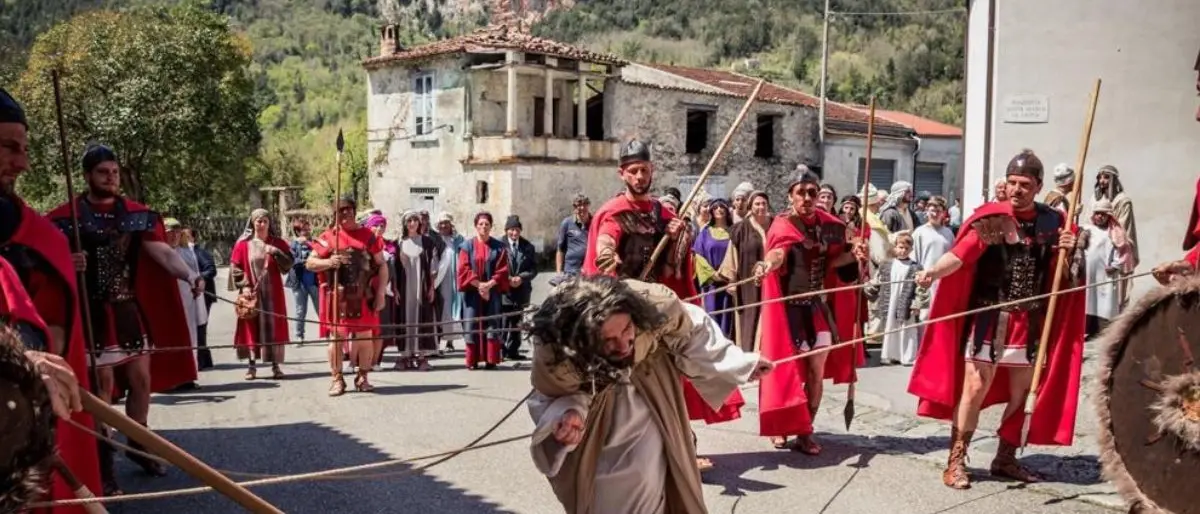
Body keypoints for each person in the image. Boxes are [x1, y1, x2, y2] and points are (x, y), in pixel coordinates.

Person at [909, 149, 1087, 490]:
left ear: (1038, 186)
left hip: (1030, 323)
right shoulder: (991, 219)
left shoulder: (1054, 223)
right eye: (1012, 182)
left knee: (1022, 393)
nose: (1016, 189)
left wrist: (1069, 249)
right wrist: (932, 272)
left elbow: (1065, 279)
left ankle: (1005, 457)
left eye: (1024, 184)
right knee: (974, 389)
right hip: (989, 318)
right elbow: (960, 256)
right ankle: (956, 460)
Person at [526, 276, 772, 514]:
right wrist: (570, 414)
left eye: (626, 330)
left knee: (653, 477)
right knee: (610, 492)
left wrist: (741, 363)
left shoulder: (656, 306)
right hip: (600, 432)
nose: (624, 345)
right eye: (609, 340)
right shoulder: (558, 358)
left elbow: (691, 331)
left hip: (652, 402)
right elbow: (556, 395)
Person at [583, 138, 745, 471]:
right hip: (623, 310)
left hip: (658, 311)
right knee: (621, 386)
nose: (640, 176)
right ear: (622, 174)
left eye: (644, 170)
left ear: (652, 170)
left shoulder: (663, 213)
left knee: (671, 383)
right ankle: (612, 450)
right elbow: (605, 242)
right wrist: (607, 257)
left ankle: (685, 450)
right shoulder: (614, 212)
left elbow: (676, 265)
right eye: (633, 171)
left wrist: (677, 235)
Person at [48, 144, 198, 494]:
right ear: (87, 177)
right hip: (91, 314)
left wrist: (188, 275)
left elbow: (159, 250)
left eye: (114, 172)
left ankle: (138, 444)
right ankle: (103, 461)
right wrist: (69, 262)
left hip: (127, 310)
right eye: (103, 172)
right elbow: (46, 261)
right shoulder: (63, 219)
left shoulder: (135, 215)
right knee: (100, 389)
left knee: (141, 381)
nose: (111, 178)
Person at [0, 87, 102, 506]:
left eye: (23, 148)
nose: (22, 162)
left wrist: (27, 369)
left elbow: (49, 340)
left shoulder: (40, 241)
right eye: (8, 147)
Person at [754, 168, 868, 455]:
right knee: (784, 370)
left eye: (812, 192)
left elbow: (834, 263)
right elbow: (778, 252)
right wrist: (768, 264)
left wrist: (854, 253)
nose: (807, 197)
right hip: (789, 309)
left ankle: (805, 430)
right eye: (801, 192)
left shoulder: (829, 225)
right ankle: (780, 424)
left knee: (816, 371)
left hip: (817, 307)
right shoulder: (782, 225)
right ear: (791, 195)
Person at [307, 196, 388, 395]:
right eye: (341, 211)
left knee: (364, 337)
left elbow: (382, 265)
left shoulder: (369, 236)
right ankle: (337, 379)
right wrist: (329, 262)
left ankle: (363, 377)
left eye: (348, 209)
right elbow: (310, 263)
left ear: (354, 211)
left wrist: (381, 293)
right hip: (338, 297)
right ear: (336, 214)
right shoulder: (328, 237)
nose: (345, 214)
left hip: (363, 295)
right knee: (336, 338)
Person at [229, 209, 293, 380]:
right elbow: (235, 267)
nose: (261, 224)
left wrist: (276, 252)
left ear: (269, 223)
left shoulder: (277, 243)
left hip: (273, 293)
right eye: (258, 221)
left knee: (274, 328)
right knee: (251, 326)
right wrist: (245, 286)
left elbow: (288, 265)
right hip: (252, 293)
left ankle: (276, 366)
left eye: (265, 220)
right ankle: (251, 367)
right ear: (252, 223)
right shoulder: (243, 244)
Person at [717, 191, 771, 352]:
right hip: (747, 283)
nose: (761, 207)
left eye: (764, 203)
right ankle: (749, 356)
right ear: (750, 206)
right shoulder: (740, 229)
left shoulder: (776, 224)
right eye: (757, 203)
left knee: (770, 318)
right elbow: (731, 255)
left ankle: (768, 353)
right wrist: (732, 280)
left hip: (773, 281)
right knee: (749, 318)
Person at [456, 212, 509, 369]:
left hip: (492, 292)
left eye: (486, 224)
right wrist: (479, 285)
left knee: (492, 323)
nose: (483, 227)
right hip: (472, 291)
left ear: (491, 226)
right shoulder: (466, 246)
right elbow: (463, 269)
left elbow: (503, 269)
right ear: (476, 226)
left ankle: (491, 360)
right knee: (471, 324)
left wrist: (489, 285)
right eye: (480, 224)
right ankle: (472, 361)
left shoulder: (499, 247)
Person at [866, 233, 927, 366]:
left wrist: (917, 304)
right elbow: (878, 281)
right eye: (900, 247)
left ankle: (907, 356)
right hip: (890, 301)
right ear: (895, 248)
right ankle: (890, 355)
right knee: (890, 327)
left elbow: (921, 289)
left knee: (907, 329)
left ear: (911, 249)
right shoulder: (886, 265)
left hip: (907, 303)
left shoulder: (916, 267)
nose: (903, 250)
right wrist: (868, 288)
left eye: (906, 248)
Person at [1080, 200, 1135, 337]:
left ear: (1109, 216)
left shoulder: (1115, 232)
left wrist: (1116, 265)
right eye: (1097, 214)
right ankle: (1087, 329)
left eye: (1103, 214)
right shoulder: (1087, 229)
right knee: (1087, 301)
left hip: (1106, 273)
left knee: (1105, 304)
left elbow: (1122, 251)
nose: (1099, 217)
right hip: (1088, 273)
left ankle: (1103, 331)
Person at [394, 210, 440, 370]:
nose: (412, 223)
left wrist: (432, 287)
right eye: (409, 221)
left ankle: (421, 356)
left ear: (419, 223)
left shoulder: (427, 242)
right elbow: (395, 269)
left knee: (422, 317)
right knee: (406, 318)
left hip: (422, 287)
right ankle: (405, 355)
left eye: (415, 220)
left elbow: (434, 266)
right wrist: (395, 289)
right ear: (405, 224)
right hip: (405, 288)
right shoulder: (399, 243)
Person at [164, 218, 207, 388]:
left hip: (187, 301)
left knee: (190, 338)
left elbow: (195, 274)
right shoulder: (159, 253)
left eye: (177, 232)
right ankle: (169, 379)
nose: (174, 236)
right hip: (167, 304)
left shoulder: (186, 252)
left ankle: (188, 376)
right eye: (170, 232)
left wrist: (199, 283)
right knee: (168, 340)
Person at [1090, 165, 1139, 308]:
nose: (1102, 181)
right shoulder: (1094, 199)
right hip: (1097, 250)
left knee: (1116, 296)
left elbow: (1122, 229)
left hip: (1115, 250)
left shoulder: (1123, 201)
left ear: (1114, 180)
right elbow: (1088, 221)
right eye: (1100, 177)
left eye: (1106, 177)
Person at [692, 198, 735, 337]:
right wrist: (713, 274)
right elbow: (698, 256)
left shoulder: (734, 231)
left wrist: (726, 273)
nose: (719, 210)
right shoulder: (705, 233)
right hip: (712, 284)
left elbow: (737, 254)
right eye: (715, 207)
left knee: (730, 318)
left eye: (722, 207)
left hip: (729, 282)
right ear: (711, 211)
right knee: (713, 318)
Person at [501, 215, 537, 361]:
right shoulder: (499, 244)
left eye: (516, 230)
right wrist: (508, 278)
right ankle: (500, 350)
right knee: (503, 321)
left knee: (517, 321)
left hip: (521, 289)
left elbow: (534, 269)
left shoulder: (528, 246)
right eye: (511, 230)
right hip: (504, 289)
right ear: (506, 230)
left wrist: (521, 278)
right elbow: (496, 267)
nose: (514, 233)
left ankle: (513, 351)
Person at [433, 212, 464, 352]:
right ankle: (436, 341)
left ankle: (450, 341)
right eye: (441, 223)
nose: (444, 226)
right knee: (440, 308)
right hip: (439, 279)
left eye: (446, 223)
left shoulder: (459, 240)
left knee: (452, 309)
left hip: (454, 279)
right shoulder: (434, 240)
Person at [187, 228, 217, 370]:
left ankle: (202, 359)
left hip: (205, 295)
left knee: (201, 327)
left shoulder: (200, 253)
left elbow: (211, 269)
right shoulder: (183, 252)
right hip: (192, 295)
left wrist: (198, 278)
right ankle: (202, 358)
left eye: (186, 236)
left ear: (193, 238)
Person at [287, 218, 321, 342]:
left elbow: (322, 253)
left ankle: (328, 332)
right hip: (299, 282)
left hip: (314, 281)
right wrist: (306, 262)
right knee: (300, 310)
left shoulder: (313, 242)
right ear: (297, 231)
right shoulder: (293, 244)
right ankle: (299, 335)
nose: (306, 232)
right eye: (303, 230)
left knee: (320, 309)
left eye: (307, 229)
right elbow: (291, 261)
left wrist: (308, 244)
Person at [555, 194, 591, 280]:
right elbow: (560, 249)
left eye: (585, 204)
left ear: (588, 205)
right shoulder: (567, 223)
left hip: (589, 272)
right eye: (578, 205)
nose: (582, 208)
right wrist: (559, 272)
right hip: (571, 272)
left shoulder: (594, 222)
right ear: (574, 207)